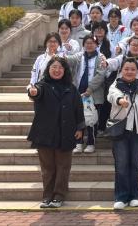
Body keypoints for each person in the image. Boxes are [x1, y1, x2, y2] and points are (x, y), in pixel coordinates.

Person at [26, 56, 85, 209]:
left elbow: (78, 108)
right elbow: (35, 92)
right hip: (45, 133)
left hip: (66, 131)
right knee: (47, 167)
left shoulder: (71, 88)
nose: (57, 70)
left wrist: (80, 128)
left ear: (65, 71)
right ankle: (47, 196)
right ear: (48, 69)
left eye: (60, 67)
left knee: (63, 166)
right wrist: (32, 92)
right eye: (54, 67)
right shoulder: (42, 85)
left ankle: (59, 196)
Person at [107, 57, 138, 210]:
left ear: (137, 71)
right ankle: (121, 197)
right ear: (121, 70)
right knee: (121, 164)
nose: (129, 72)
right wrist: (120, 100)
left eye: (133, 69)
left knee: (135, 164)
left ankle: (134, 196)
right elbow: (112, 96)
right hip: (120, 131)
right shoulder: (115, 85)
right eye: (126, 69)